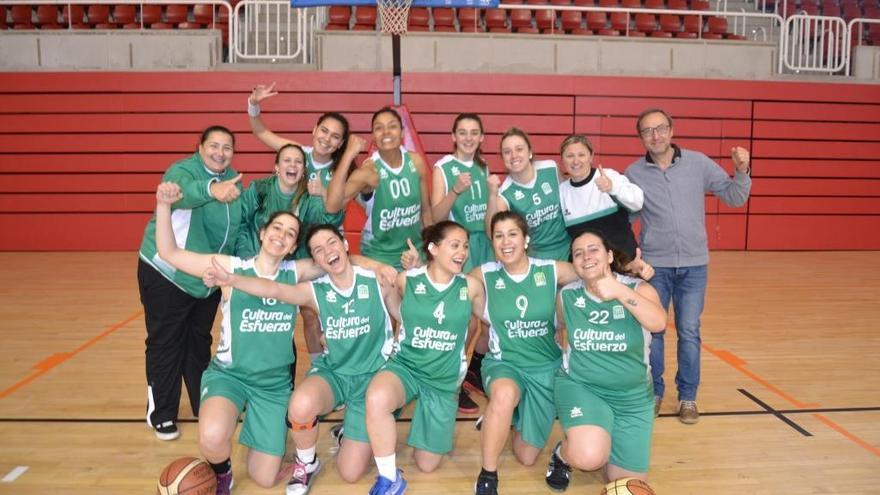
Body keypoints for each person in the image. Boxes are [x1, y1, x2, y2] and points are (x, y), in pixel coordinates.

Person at [154, 182, 328, 493]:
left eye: (290, 234)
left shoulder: (295, 272)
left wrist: (383, 269)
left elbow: (341, 259)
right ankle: (223, 474)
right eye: (277, 227)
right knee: (211, 437)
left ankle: (263, 435)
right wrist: (164, 206)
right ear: (262, 233)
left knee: (264, 477)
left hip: (272, 385)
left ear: (292, 247)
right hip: (229, 376)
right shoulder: (232, 267)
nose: (282, 235)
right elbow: (169, 252)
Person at [204, 224, 399, 495]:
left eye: (332, 243)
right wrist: (232, 279)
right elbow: (273, 290)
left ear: (345, 244)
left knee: (350, 472)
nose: (327, 251)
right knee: (301, 403)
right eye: (319, 250)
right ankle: (306, 463)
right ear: (316, 262)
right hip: (335, 374)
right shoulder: (314, 290)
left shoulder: (376, 280)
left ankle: (353, 428)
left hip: (370, 379)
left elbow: (405, 316)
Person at [624, 108, 751, 423]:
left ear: (671, 130)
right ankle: (653, 392)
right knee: (652, 331)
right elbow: (624, 220)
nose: (656, 135)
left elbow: (735, 197)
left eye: (660, 128)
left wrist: (742, 171)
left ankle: (688, 397)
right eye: (648, 131)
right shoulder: (634, 173)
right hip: (655, 268)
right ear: (641, 137)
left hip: (694, 267)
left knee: (690, 331)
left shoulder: (698, 163)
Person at [137, 125, 243, 441]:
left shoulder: (233, 178)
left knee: (198, 343)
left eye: (227, 147)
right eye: (213, 145)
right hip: (166, 273)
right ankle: (162, 412)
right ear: (199, 147)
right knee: (166, 342)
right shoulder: (182, 170)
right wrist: (211, 191)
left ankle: (204, 404)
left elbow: (232, 230)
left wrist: (228, 272)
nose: (220, 152)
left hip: (206, 278)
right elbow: (181, 192)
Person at [364, 221, 486, 495]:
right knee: (377, 397)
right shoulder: (409, 279)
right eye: (454, 245)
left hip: (443, 380)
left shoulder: (472, 287)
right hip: (406, 366)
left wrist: (460, 354)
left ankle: (427, 419)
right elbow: (395, 304)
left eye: (465, 246)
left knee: (427, 465)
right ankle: (389, 477)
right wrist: (404, 321)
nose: (462, 252)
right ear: (433, 248)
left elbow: (484, 322)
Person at [544, 230, 666, 492]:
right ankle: (564, 454)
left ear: (609, 256)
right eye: (578, 253)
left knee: (626, 483)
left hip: (632, 398)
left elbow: (659, 322)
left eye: (593, 250)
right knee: (588, 458)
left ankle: (602, 434)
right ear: (574, 264)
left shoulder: (638, 288)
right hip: (583, 387)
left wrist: (619, 291)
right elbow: (559, 327)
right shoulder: (567, 296)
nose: (586, 256)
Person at [471, 211, 579, 495]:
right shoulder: (484, 274)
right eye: (498, 236)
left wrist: (631, 267)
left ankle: (509, 417)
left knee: (526, 455)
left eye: (512, 234)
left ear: (526, 239)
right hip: (504, 363)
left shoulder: (551, 270)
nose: (506, 242)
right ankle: (488, 475)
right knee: (504, 395)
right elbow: (447, 284)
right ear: (492, 241)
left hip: (546, 368)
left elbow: (592, 269)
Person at [246, 83, 353, 365]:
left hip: (324, 248)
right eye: (324, 131)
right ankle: (318, 366)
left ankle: (341, 365)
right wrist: (253, 104)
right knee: (306, 313)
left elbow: (340, 207)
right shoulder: (296, 154)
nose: (328, 139)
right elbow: (260, 131)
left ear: (341, 144)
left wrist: (324, 194)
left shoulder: (340, 171)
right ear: (314, 129)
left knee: (334, 312)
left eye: (336, 137)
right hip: (291, 245)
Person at [430, 113, 494, 414]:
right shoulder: (443, 168)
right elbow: (436, 217)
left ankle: (474, 371)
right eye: (463, 133)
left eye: (474, 133)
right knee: (466, 320)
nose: (468, 138)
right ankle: (450, 382)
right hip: (461, 248)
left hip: (487, 246)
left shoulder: (484, 168)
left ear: (482, 138)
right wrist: (455, 190)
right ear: (453, 136)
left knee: (490, 317)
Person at [325, 106, 433, 270]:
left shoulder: (416, 162)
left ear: (402, 132)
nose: (386, 132)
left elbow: (426, 212)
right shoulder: (369, 172)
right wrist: (348, 155)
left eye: (392, 126)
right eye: (379, 128)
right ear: (373, 136)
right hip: (379, 257)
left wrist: (431, 253)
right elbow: (332, 206)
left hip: (414, 253)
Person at [558, 133, 654, 280]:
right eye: (569, 156)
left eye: (581, 155)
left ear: (591, 156)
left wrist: (612, 188)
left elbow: (637, 202)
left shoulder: (608, 176)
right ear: (562, 160)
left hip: (626, 268)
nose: (576, 160)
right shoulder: (562, 191)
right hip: (590, 275)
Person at [486, 127, 570, 262]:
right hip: (538, 257)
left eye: (519, 149)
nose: (514, 155)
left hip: (568, 248)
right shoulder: (505, 194)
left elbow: (569, 198)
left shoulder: (551, 168)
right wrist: (492, 195)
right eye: (507, 152)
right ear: (502, 158)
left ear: (530, 152)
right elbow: (491, 233)